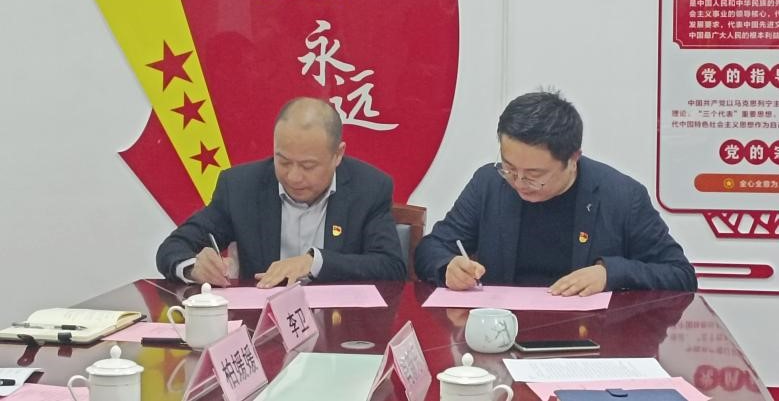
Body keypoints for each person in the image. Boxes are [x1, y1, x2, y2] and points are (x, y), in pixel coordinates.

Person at [414, 90, 696, 295]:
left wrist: (609, 273)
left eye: (534, 175)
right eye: (509, 167)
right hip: (503, 333)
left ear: (573, 159)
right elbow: (431, 248)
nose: (519, 182)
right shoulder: (489, 183)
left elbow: (680, 274)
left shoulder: (622, 196)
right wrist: (448, 266)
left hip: (590, 339)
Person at [157, 97, 406, 287]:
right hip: (261, 328)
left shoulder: (369, 188)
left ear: (337, 155)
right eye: (283, 161)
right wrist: (194, 267)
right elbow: (173, 247)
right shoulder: (241, 187)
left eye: (308, 166)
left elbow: (391, 266)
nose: (293, 177)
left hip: (340, 327)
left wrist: (315, 262)